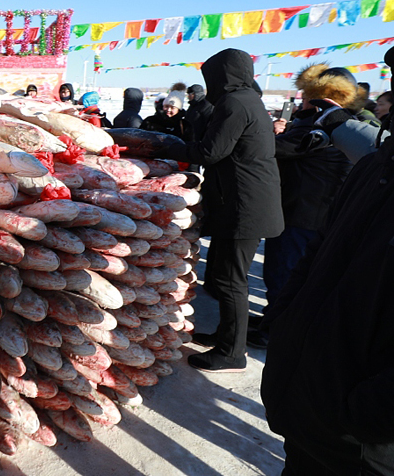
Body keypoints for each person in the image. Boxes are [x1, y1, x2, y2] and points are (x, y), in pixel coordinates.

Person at [260, 56, 394, 474]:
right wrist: (284, 322)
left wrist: (362, 416)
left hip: (362, 439)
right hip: (309, 406)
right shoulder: (377, 164)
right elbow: (321, 252)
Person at [155, 48, 283, 372]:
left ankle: (232, 353)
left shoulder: (234, 103)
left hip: (244, 206)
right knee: (228, 278)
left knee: (231, 281)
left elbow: (212, 151)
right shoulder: (249, 99)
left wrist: (170, 145)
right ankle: (228, 338)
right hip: (248, 202)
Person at [250, 63, 357, 349]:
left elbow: (278, 150)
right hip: (308, 210)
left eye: (307, 95)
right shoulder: (338, 123)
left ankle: (275, 329)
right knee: (283, 273)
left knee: (284, 273)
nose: (302, 99)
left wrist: (270, 134)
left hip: (303, 213)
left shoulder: (322, 124)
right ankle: (271, 318)